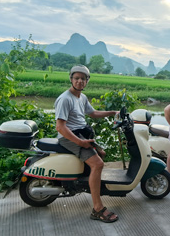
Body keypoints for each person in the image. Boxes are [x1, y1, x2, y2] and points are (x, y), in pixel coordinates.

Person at [55, 65, 119, 223]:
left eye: (83, 79)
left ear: (87, 81)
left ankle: (86, 184)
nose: (80, 81)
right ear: (71, 79)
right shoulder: (65, 99)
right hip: (70, 136)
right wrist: (80, 143)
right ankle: (97, 209)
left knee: (102, 154)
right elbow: (60, 127)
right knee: (98, 164)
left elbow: (93, 113)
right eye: (76, 78)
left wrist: (113, 112)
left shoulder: (81, 97)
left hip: (80, 133)